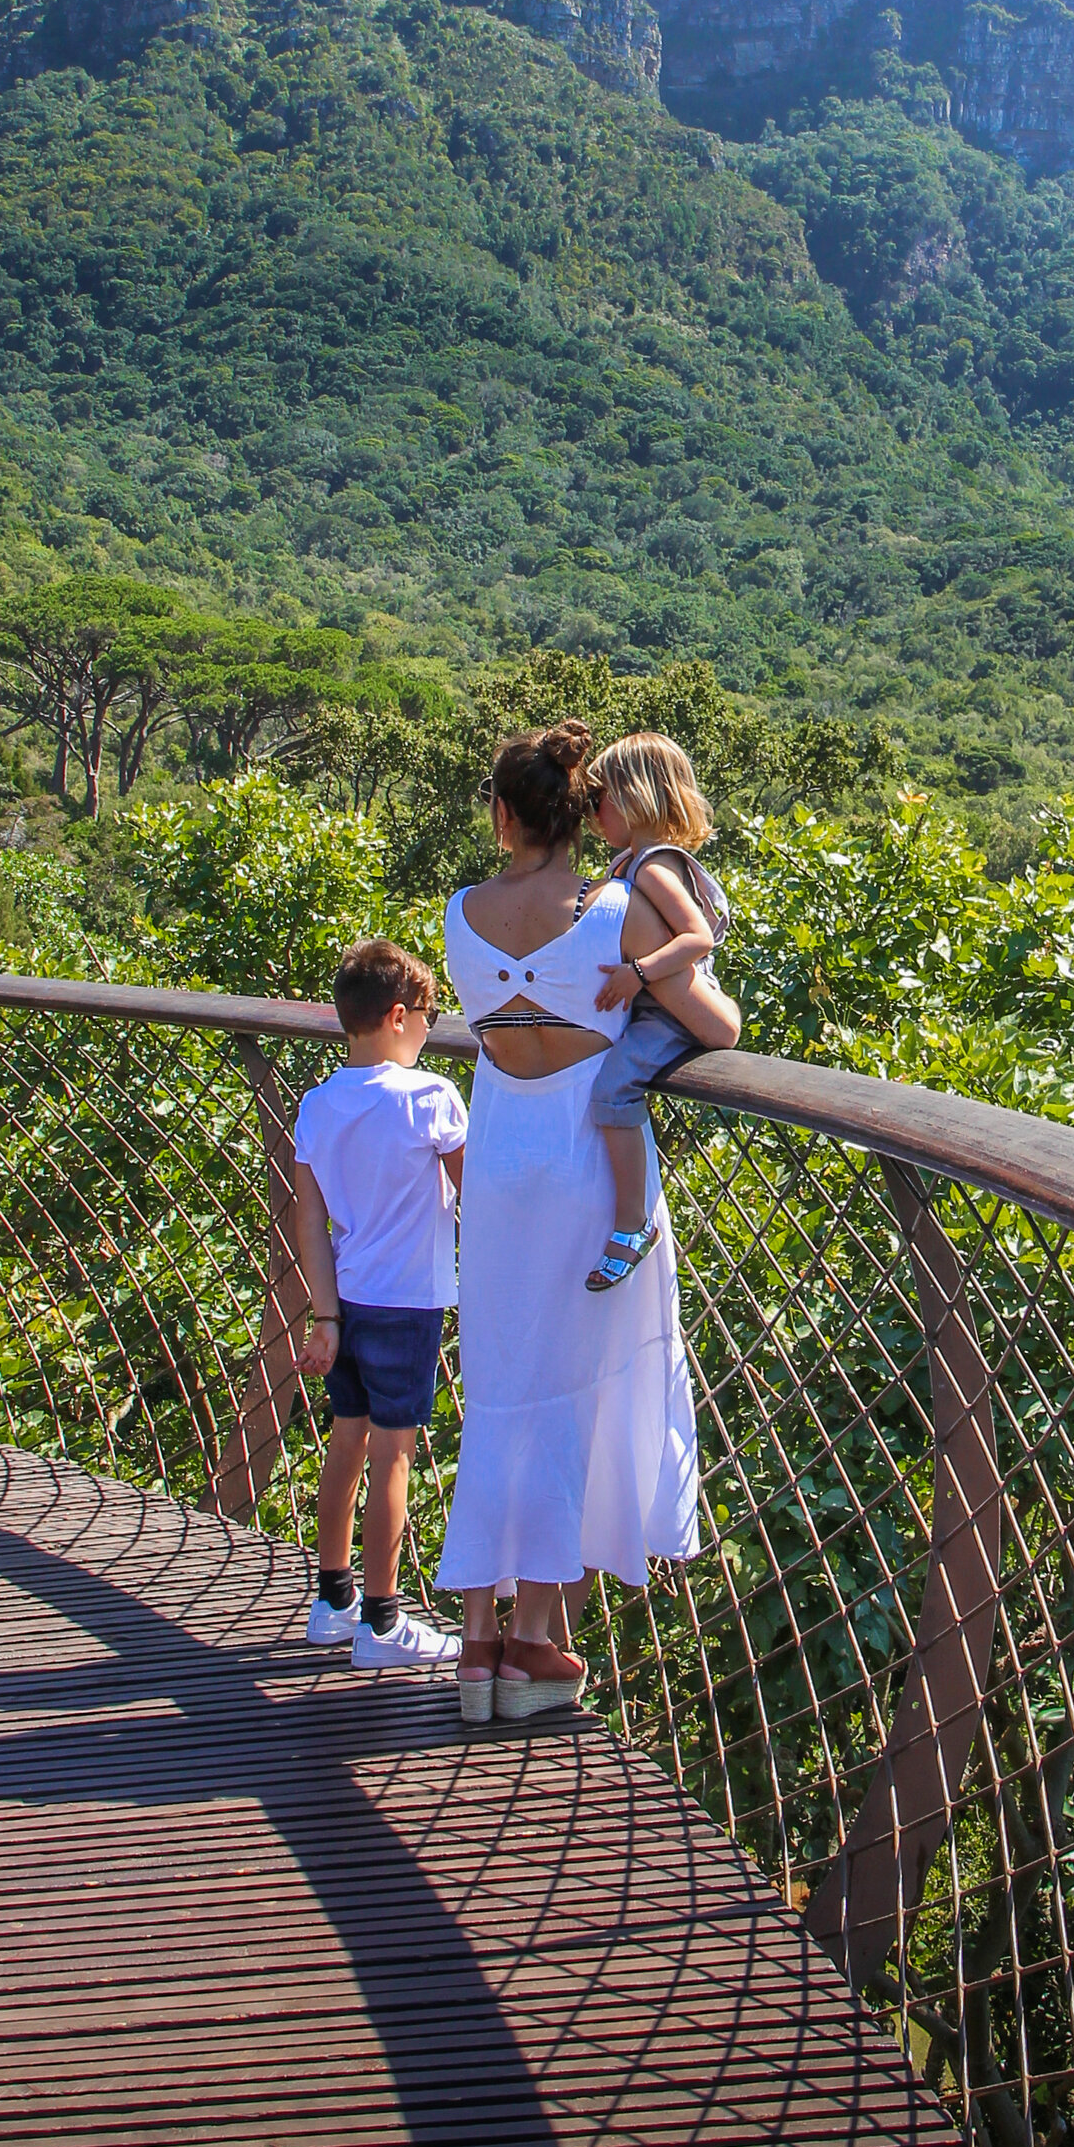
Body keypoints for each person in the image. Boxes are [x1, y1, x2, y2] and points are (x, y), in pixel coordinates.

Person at [434, 721, 702, 1729]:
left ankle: (476, 1645)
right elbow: (708, 1015)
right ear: (580, 818)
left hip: (498, 1159)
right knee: (579, 1386)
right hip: (588, 1160)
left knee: (502, 1382)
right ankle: (537, 1639)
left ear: (504, 817)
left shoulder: (460, 911)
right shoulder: (620, 909)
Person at [290, 935, 467, 1674]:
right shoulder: (432, 1098)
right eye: (429, 1013)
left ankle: (332, 1604)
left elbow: (308, 1219)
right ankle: (384, 1621)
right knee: (395, 1457)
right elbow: (477, 1192)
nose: (433, 1026)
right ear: (398, 1016)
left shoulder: (318, 1104)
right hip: (409, 1303)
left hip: (350, 1301)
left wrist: (323, 1315)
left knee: (347, 1444)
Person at [583, 732, 740, 1290]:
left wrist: (640, 973)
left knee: (611, 1088)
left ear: (630, 796)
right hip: (654, 1007)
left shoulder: (651, 867)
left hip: (669, 1013)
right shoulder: (631, 861)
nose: (592, 813)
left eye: (597, 797)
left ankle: (632, 1223)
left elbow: (698, 937)